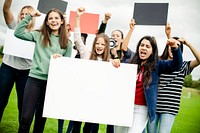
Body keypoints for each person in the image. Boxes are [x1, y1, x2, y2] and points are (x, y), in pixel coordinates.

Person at [14, 8, 72, 133]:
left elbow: (66, 68)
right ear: (46, 22)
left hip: (51, 84)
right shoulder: (38, 35)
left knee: (40, 121)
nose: (53, 21)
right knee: (25, 118)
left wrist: (61, 60)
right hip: (34, 80)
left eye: (56, 18)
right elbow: (18, 33)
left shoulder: (67, 43)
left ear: (62, 21)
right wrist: (29, 16)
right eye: (50, 18)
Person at [114, 34, 183, 133]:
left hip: (141, 110)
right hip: (125, 106)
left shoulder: (157, 65)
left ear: (152, 51)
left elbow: (176, 65)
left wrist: (175, 48)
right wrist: (116, 62)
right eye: (142, 45)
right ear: (138, 48)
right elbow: (118, 69)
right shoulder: (130, 63)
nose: (144, 48)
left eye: (147, 46)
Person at [71, 7, 120, 133]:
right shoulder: (85, 53)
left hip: (96, 101)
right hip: (81, 96)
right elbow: (77, 38)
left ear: (106, 47)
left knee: (90, 128)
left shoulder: (108, 61)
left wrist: (116, 60)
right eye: (98, 43)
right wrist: (77, 17)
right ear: (94, 44)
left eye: (103, 44)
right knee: (76, 126)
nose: (99, 46)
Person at [146, 23, 200, 133]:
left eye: (177, 46)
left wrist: (188, 43)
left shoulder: (183, 66)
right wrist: (168, 35)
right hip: (154, 106)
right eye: (171, 46)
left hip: (170, 108)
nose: (173, 48)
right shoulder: (159, 63)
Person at [0, 0, 35, 123]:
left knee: (23, 105)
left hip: (26, 72)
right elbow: (6, 9)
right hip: (7, 69)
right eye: (22, 14)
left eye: (28, 14)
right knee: (1, 100)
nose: (24, 16)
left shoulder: (36, 33)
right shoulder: (14, 26)